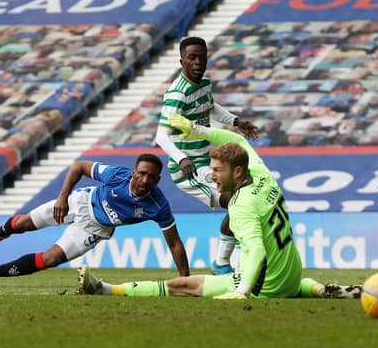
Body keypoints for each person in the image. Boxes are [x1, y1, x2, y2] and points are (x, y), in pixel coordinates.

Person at [77, 115, 361, 299]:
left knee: (183, 287)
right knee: (262, 265)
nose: (211, 176)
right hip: (292, 276)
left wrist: (243, 291)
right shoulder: (263, 175)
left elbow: (257, 248)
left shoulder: (241, 205)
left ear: (237, 173)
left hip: (267, 287)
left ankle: (105, 289)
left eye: (216, 171)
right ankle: (320, 289)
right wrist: (196, 130)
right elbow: (237, 139)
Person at [0, 154, 190, 288]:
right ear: (133, 172)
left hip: (96, 228)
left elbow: (174, 244)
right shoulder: (117, 175)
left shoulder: (158, 205)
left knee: (51, 259)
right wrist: (62, 197)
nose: (145, 179)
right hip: (80, 202)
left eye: (151, 177)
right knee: (24, 224)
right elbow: (79, 166)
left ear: (158, 180)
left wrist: (186, 280)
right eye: (141, 173)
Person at [154, 36, 258, 275]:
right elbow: (161, 136)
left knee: (244, 198)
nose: (198, 62)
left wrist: (236, 121)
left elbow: (210, 107)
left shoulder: (204, 84)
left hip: (208, 160)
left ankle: (223, 263)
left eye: (202, 56)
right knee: (238, 202)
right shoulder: (176, 94)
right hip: (188, 170)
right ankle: (237, 266)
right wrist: (181, 158)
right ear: (182, 61)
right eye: (192, 57)